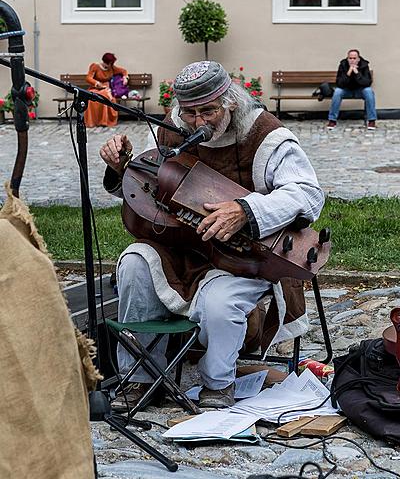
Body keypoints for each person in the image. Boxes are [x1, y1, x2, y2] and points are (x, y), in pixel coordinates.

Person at [100, 61, 325, 410]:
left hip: (243, 253)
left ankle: (218, 385)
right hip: (180, 245)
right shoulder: (169, 129)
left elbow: (309, 194)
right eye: (189, 113)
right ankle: (140, 377)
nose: (199, 122)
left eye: (209, 110)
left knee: (220, 301)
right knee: (133, 264)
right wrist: (121, 168)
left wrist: (246, 211)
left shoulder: (265, 135)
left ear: (230, 101)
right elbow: (148, 188)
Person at [327, 49, 377, 130]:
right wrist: (349, 72)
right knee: (337, 92)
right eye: (350, 58)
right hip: (346, 90)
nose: (352, 60)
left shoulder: (364, 65)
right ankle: (332, 120)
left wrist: (357, 73)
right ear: (347, 59)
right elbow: (339, 83)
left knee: (369, 91)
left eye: (354, 58)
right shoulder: (343, 65)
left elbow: (367, 83)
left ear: (358, 59)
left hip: (360, 91)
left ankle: (371, 120)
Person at [84, 52, 128, 128]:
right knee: (91, 98)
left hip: (107, 89)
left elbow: (123, 71)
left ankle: (105, 121)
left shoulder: (112, 68)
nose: (110, 65)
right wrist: (96, 83)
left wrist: (125, 77)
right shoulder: (95, 66)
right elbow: (88, 78)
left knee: (106, 96)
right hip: (96, 88)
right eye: (110, 63)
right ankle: (94, 121)